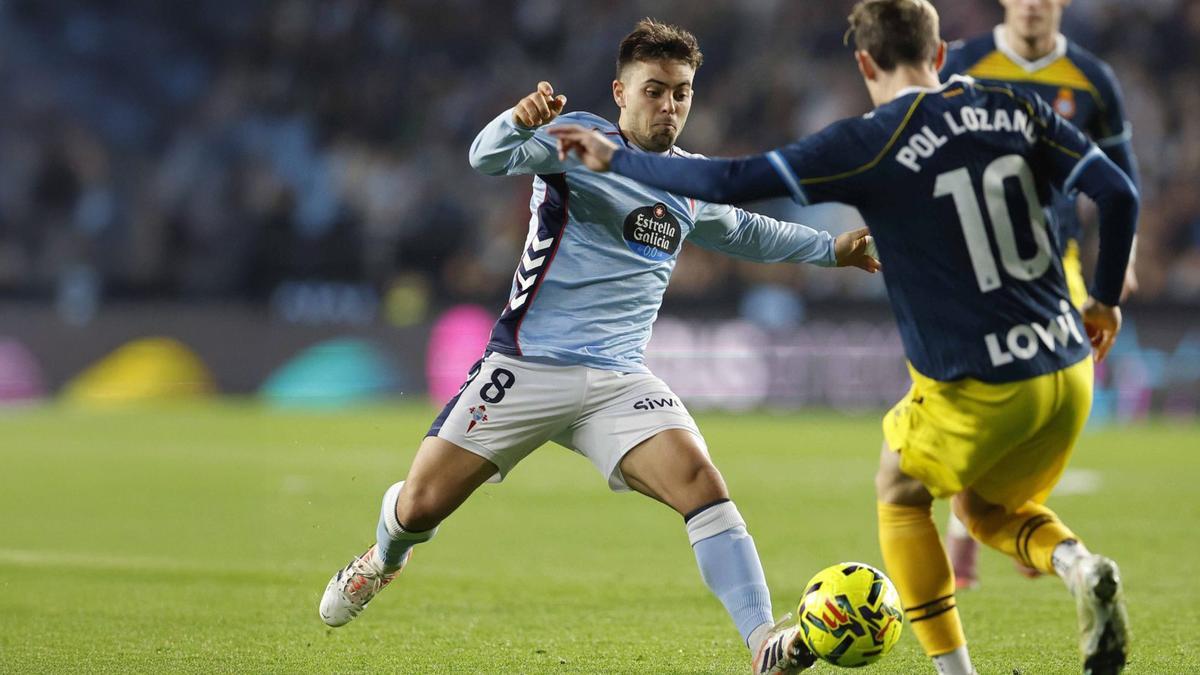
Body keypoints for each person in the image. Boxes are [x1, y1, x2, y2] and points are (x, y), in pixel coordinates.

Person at [550, 1, 1136, 673]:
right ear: (941, 54)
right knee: (984, 506)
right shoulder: (1013, 105)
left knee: (900, 491)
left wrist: (615, 159)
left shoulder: (871, 141)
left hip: (984, 379)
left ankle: (958, 673)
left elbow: (729, 181)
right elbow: (1118, 194)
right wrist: (1107, 300)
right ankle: (1080, 564)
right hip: (1069, 366)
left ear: (863, 63)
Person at [317, 18, 878, 675]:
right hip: (526, 366)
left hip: (618, 381)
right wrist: (517, 122)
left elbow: (741, 230)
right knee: (418, 506)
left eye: (681, 93)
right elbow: (486, 157)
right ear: (620, 90)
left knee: (702, 483)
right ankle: (382, 559)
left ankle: (762, 644)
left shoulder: (691, 177)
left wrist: (829, 249)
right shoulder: (575, 141)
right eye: (654, 90)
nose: (668, 106)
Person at [939, 0, 1141, 590]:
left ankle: (1024, 505)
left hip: (1058, 259)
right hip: (972, 261)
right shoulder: (963, 64)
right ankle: (971, 541)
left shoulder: (1093, 79)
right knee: (970, 394)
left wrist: (1120, 260)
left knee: (1063, 381)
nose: (1031, 5)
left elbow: (1122, 176)